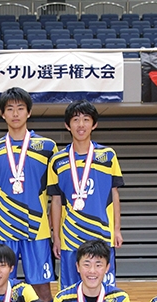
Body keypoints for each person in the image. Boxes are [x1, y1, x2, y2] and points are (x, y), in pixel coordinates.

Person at [0, 87, 58, 302]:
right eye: (10, 109)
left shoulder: (48, 147)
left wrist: (55, 233)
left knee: (42, 291)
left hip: (37, 230)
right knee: (3, 289)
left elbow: (55, 195)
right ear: (2, 114)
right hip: (3, 229)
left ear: (29, 112)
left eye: (20, 108)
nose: (15, 114)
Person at [48, 100, 124, 290]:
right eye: (75, 120)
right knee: (69, 290)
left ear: (94, 124)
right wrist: (56, 237)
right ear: (68, 125)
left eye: (86, 119)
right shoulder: (57, 160)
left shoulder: (108, 155)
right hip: (70, 237)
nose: (81, 125)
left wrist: (116, 229)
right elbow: (55, 202)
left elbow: (114, 194)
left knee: (104, 290)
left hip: (101, 235)